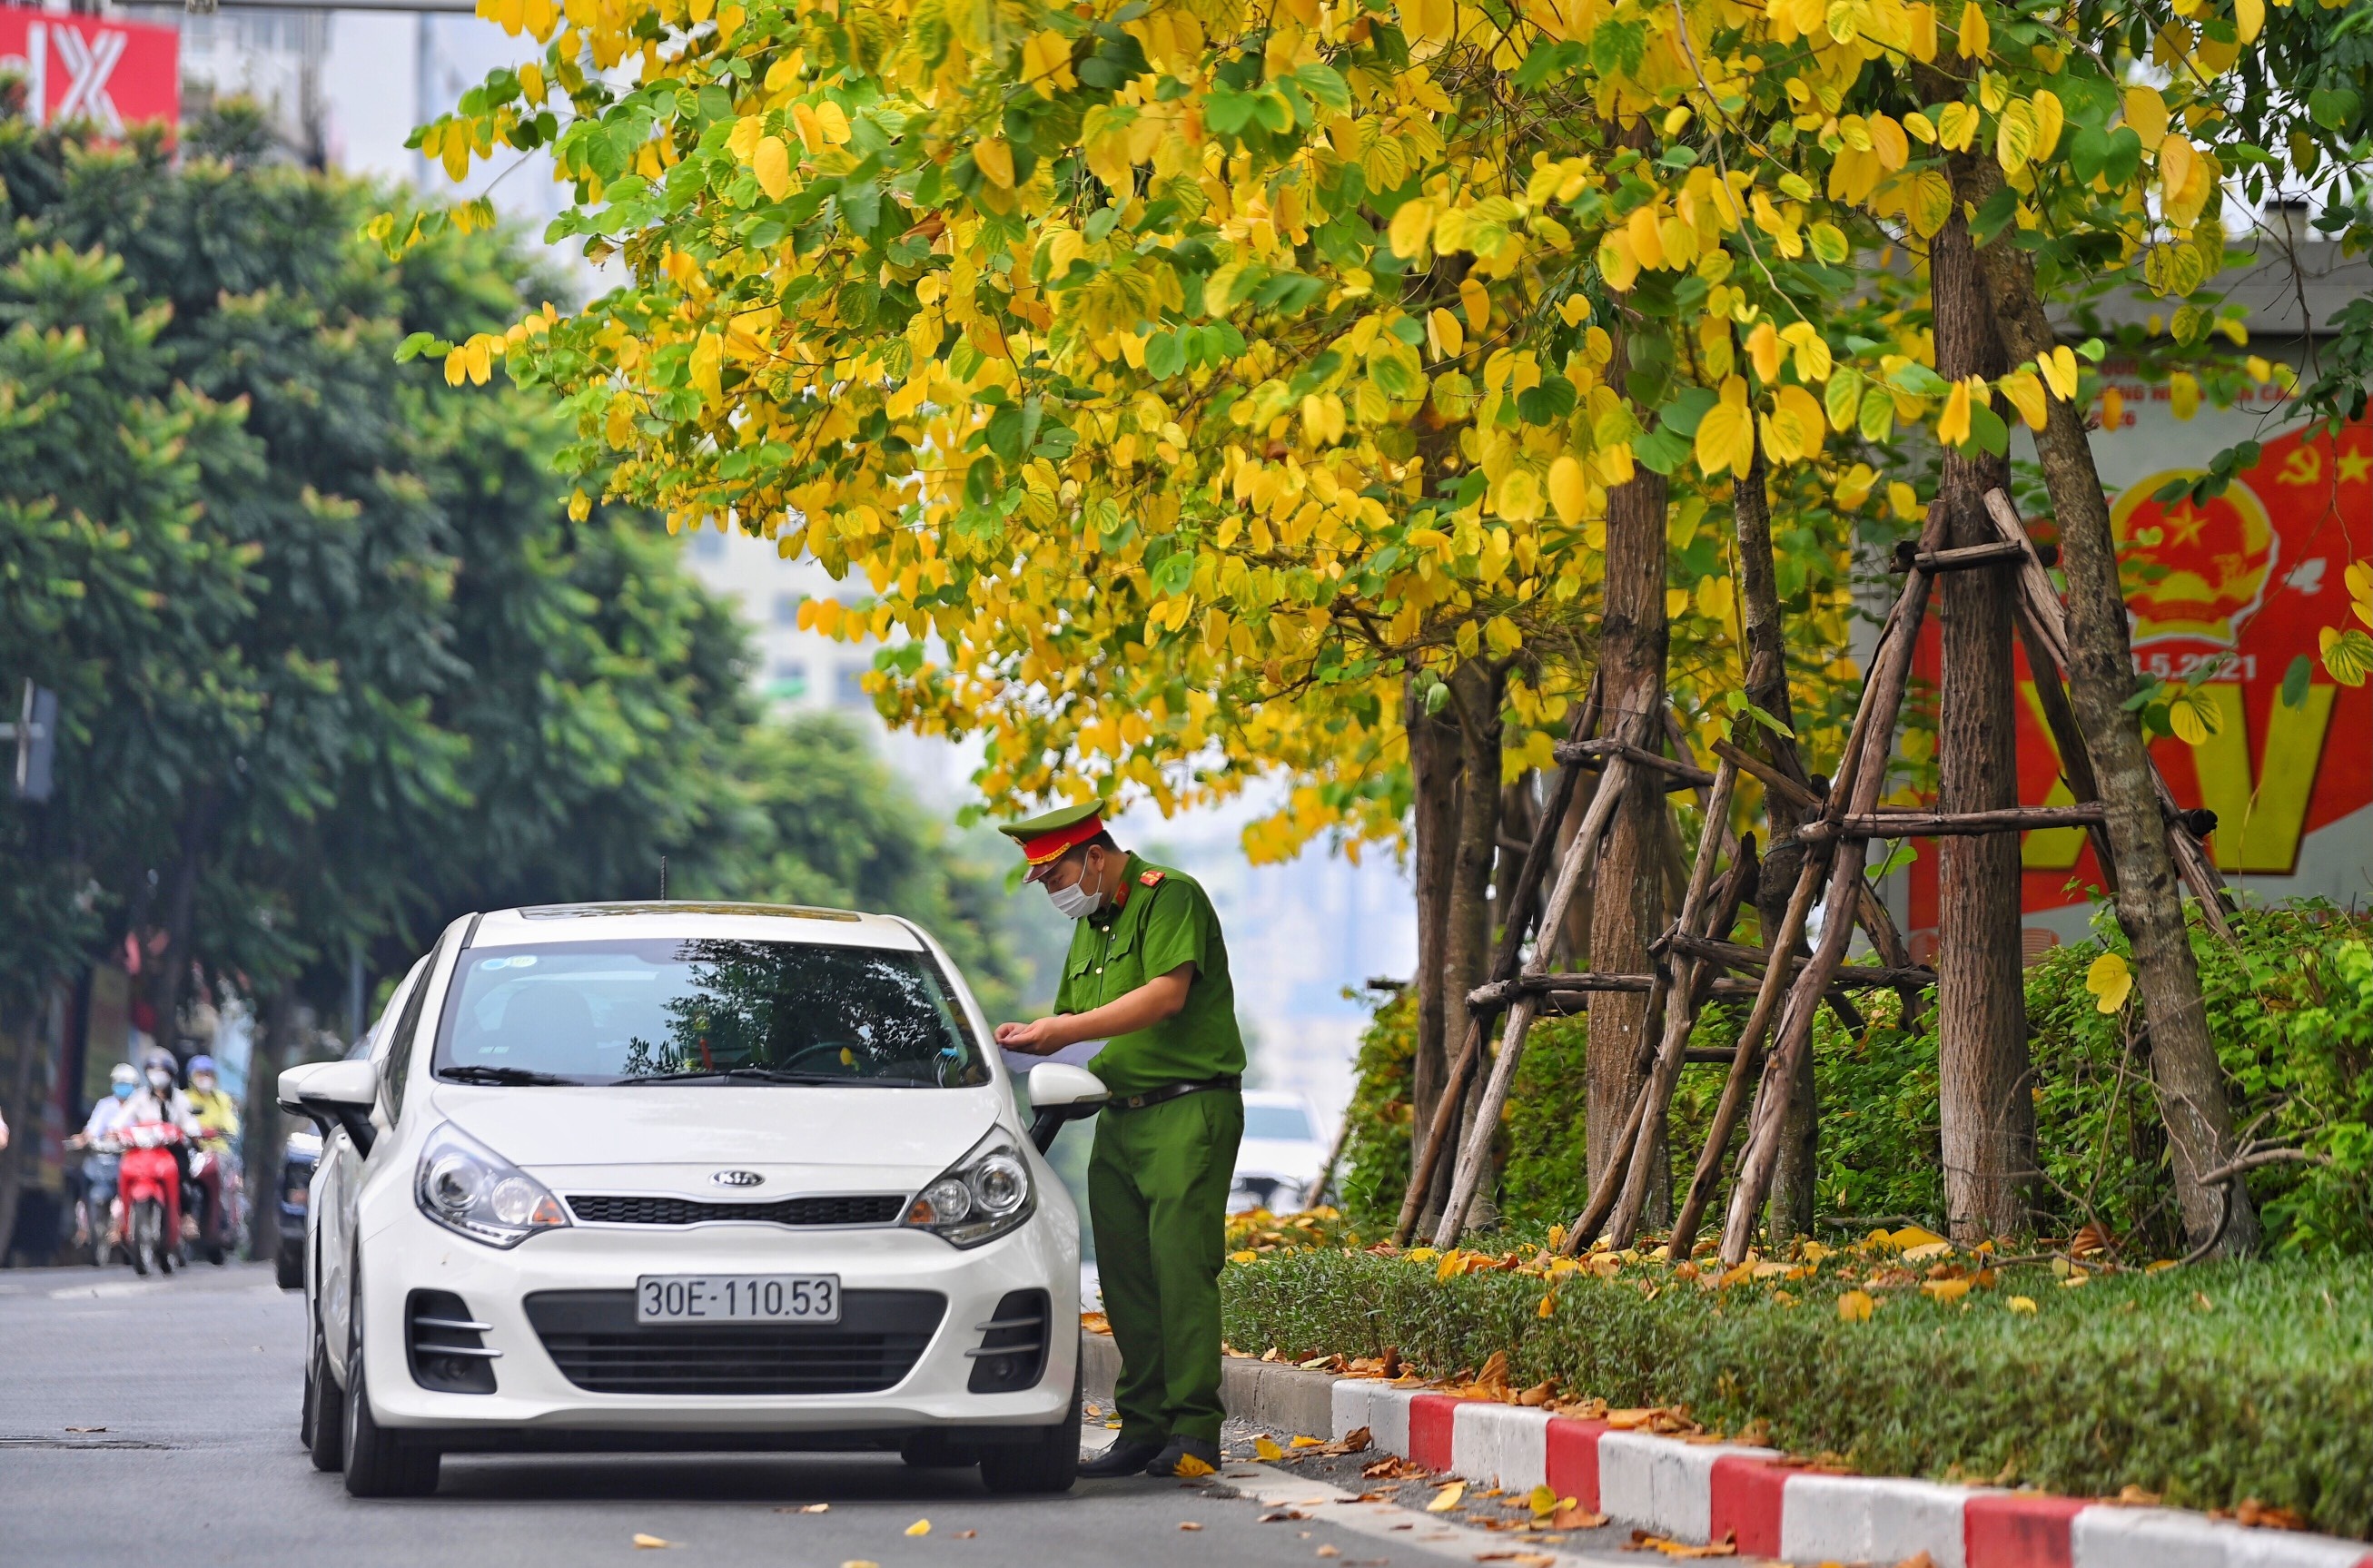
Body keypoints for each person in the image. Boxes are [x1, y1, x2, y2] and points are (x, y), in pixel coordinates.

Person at [993, 801, 1245, 1480]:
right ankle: (1143, 1426)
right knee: (1127, 1278)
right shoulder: (1092, 928)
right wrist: (1031, 1042)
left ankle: (1193, 1429)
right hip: (1118, 1113)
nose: (1052, 891)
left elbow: (1164, 996)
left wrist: (1061, 1031)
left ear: (1094, 857)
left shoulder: (1170, 898)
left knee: (1179, 1269)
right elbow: (1081, 1024)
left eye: (1054, 876)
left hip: (1188, 1111)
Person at [67, 1063, 142, 1249]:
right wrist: (83, 1139)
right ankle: (84, 1227)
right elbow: (93, 1129)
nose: (122, 1087)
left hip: (130, 1158)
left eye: (126, 1083)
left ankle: (125, 1226)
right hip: (104, 1157)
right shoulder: (105, 1105)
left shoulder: (139, 1106)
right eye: (118, 1082)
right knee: (82, 1179)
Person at [182, 1054, 242, 1248]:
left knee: (223, 1179)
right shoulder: (183, 1098)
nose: (204, 1078)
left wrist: (220, 1130)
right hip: (189, 1150)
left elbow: (230, 1124)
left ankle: (224, 1223)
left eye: (208, 1074)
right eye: (200, 1074)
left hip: (216, 1151)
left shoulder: (221, 1100)